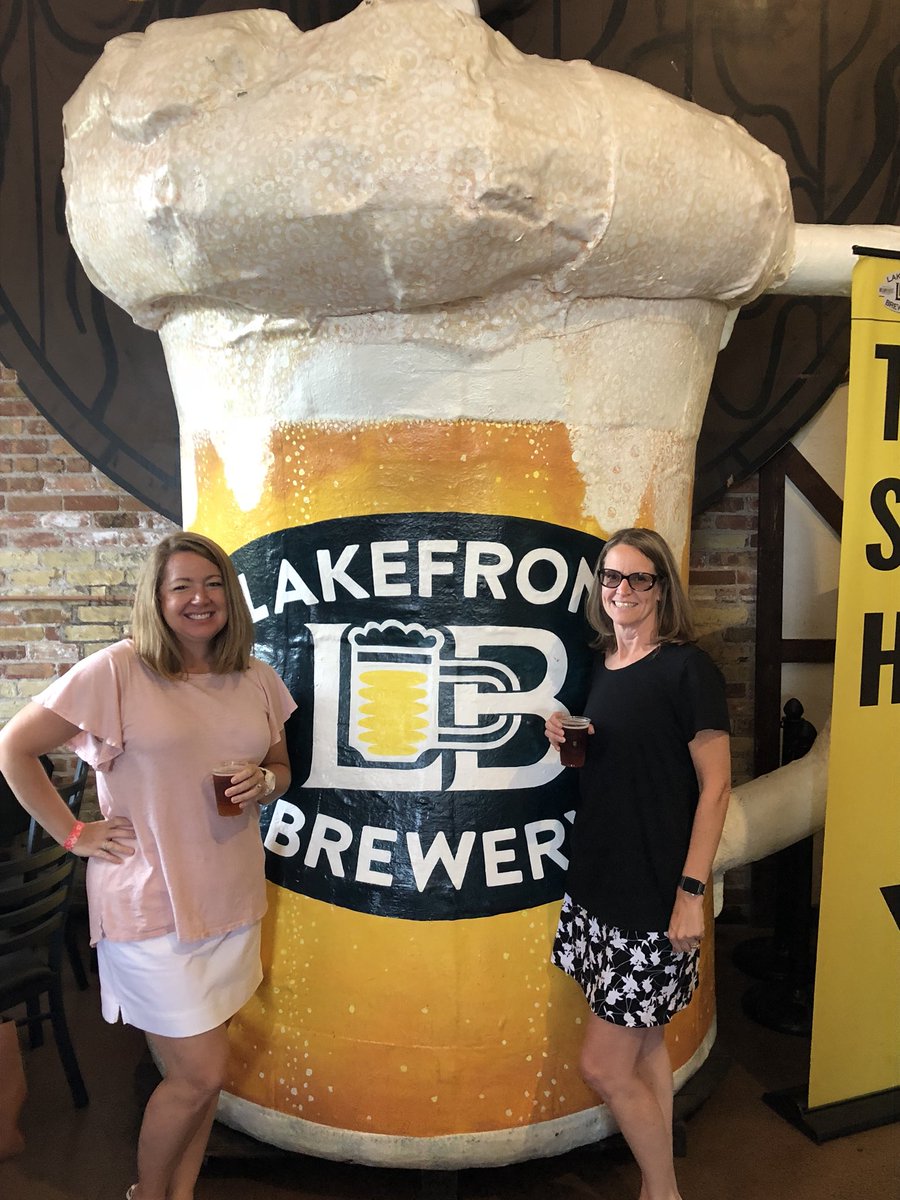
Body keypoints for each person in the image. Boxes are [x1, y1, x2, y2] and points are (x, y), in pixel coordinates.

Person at [0, 531, 296, 1200]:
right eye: (181, 586)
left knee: (205, 1080)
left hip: (231, 898)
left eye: (214, 584)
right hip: (152, 902)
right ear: (156, 600)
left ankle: (179, 1193)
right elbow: (14, 748)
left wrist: (267, 783)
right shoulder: (118, 670)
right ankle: (146, 1195)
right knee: (198, 1073)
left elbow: (279, 765)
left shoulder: (255, 676)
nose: (200, 598)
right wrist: (73, 833)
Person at [545, 527, 731, 1200]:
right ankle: (663, 1188)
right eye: (611, 578)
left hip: (652, 894)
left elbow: (715, 788)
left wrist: (690, 892)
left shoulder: (687, 669)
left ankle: (662, 1190)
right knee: (645, 1044)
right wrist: (569, 742)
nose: (622, 591)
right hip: (598, 883)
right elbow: (625, 768)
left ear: (660, 589)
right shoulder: (603, 665)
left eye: (638, 579)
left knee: (603, 1065)